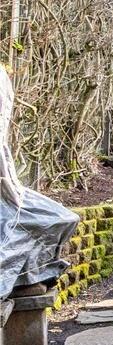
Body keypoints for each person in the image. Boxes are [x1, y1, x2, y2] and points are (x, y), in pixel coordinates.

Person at [0, 65, 78, 296]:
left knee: (64, 218)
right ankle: (25, 278)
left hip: (10, 192)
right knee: (56, 218)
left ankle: (29, 278)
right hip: (8, 202)